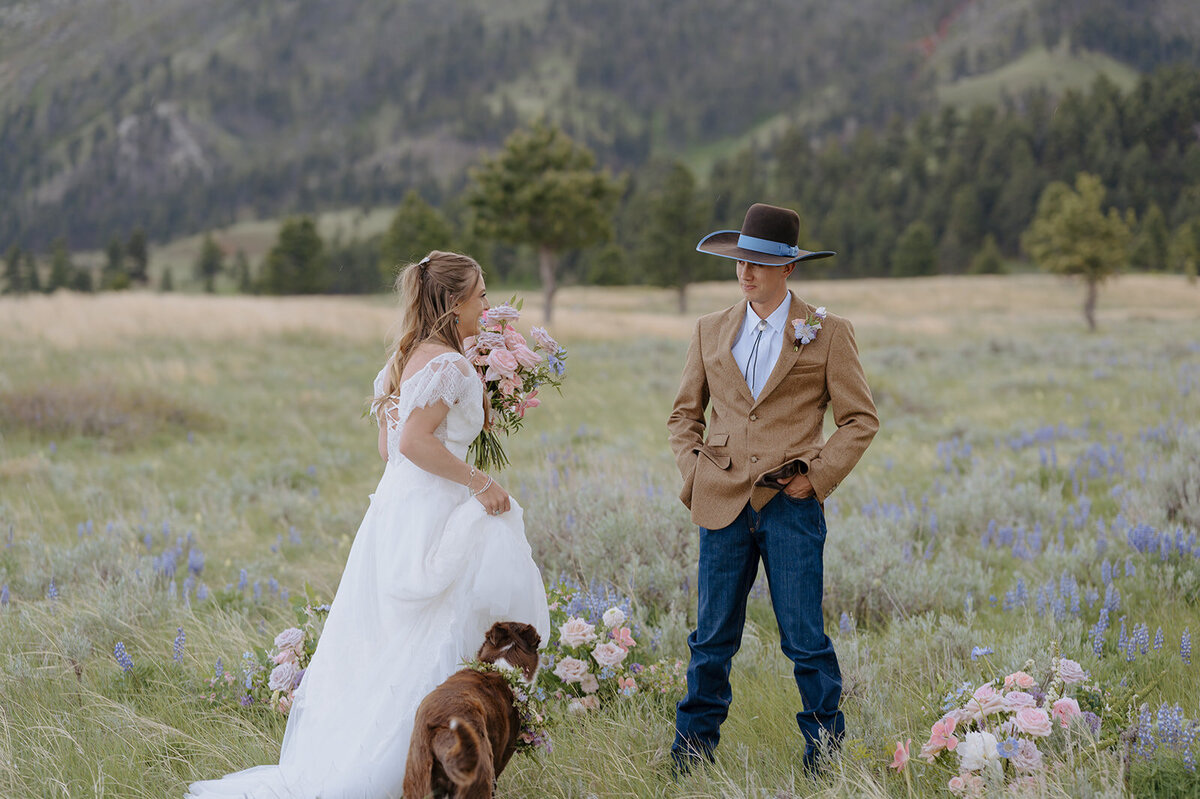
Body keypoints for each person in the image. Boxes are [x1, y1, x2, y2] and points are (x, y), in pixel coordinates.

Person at [187, 251, 550, 798]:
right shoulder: (448, 366)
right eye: (479, 295)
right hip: (435, 509)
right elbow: (411, 443)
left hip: (396, 510)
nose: (488, 304)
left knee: (388, 640)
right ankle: (425, 763)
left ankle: (413, 756)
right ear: (454, 304)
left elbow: (389, 449)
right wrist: (479, 482)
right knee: (439, 626)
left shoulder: (404, 360)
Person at [667, 203, 878, 772]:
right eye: (741, 261)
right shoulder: (710, 329)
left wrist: (817, 478)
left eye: (760, 262)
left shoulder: (830, 333)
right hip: (723, 503)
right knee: (711, 639)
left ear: (789, 268)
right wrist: (696, 475)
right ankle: (690, 758)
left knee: (806, 639)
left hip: (791, 506)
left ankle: (826, 758)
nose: (746, 272)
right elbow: (684, 415)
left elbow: (860, 419)